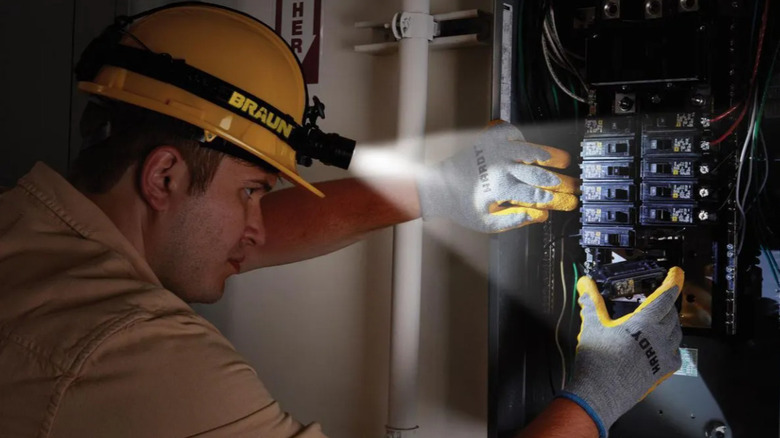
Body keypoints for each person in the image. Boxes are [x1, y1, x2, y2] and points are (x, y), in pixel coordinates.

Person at [0, 3, 682, 437]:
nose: (259, 227)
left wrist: (434, 189)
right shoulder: (142, 357)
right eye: (251, 193)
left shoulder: (29, 230)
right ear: (164, 177)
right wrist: (596, 397)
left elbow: (229, 239)